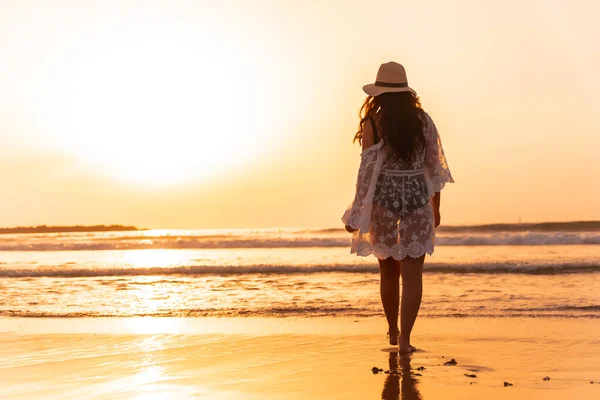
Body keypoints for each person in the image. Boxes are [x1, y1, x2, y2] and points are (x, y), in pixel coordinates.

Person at [342, 61, 454, 353]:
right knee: (413, 275)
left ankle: (392, 329)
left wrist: (356, 212)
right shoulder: (423, 121)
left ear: (378, 93)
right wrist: (436, 207)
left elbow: (366, 172)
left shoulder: (373, 123)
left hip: (384, 199)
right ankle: (405, 340)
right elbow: (434, 169)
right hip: (418, 196)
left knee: (389, 272)